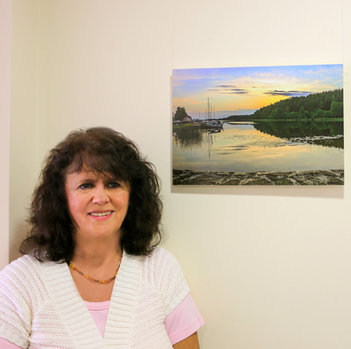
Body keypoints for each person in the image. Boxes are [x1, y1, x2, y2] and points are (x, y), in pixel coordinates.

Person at [0, 127, 204, 348]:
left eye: (113, 184)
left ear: (132, 195)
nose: (101, 197)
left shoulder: (160, 269)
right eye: (86, 185)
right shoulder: (19, 283)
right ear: (61, 197)